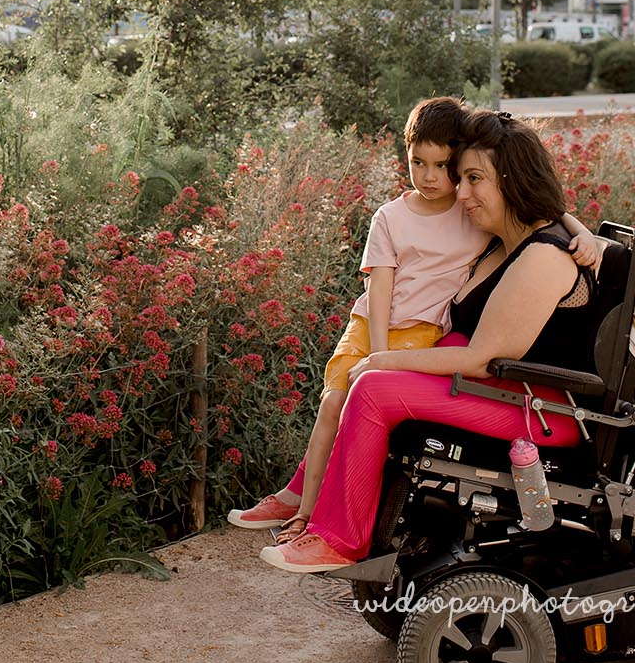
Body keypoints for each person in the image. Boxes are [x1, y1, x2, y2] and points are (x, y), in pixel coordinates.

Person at [229, 98, 600, 543]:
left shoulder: (541, 252)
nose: (457, 191)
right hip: (505, 386)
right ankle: (303, 502)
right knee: (352, 388)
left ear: (510, 180)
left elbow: (485, 356)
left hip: (538, 408)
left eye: (469, 177)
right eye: (457, 177)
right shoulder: (494, 233)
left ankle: (334, 536)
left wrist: (582, 233)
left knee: (371, 386)